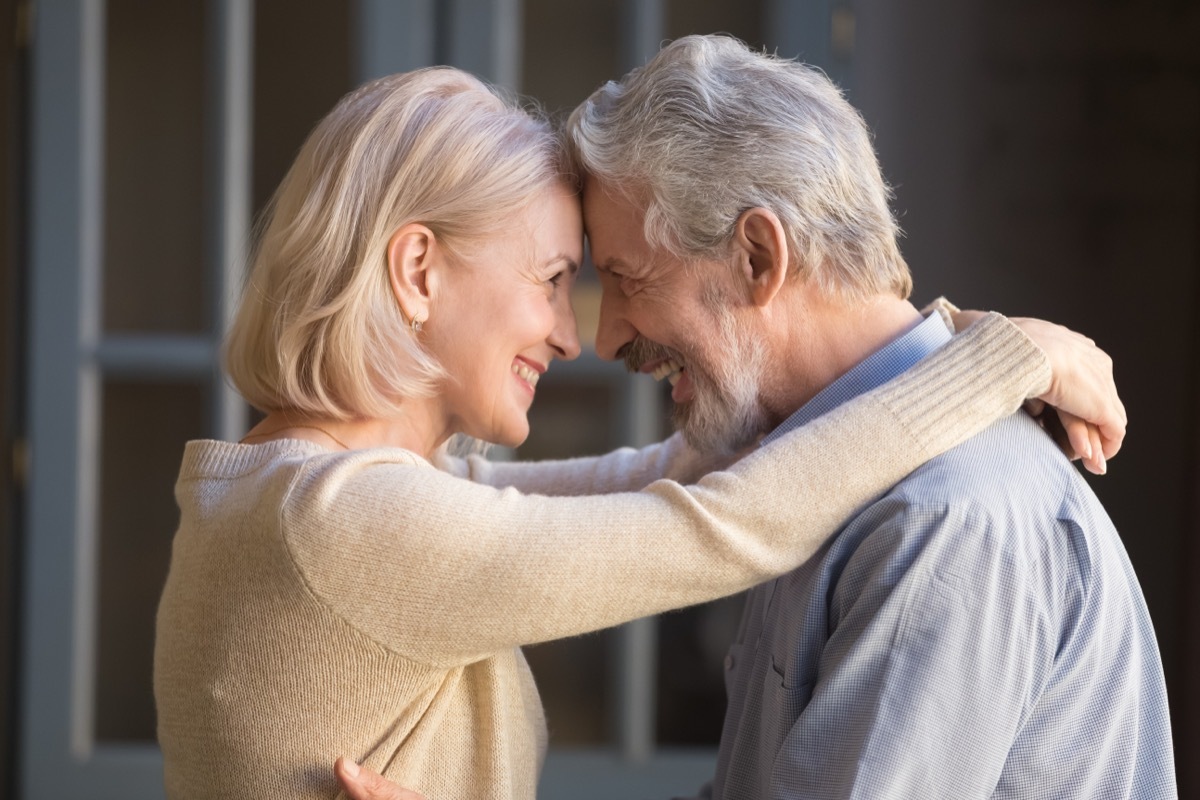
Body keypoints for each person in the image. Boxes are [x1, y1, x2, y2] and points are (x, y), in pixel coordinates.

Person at [153, 65, 1121, 800]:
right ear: (417, 272)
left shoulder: (295, 496)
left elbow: (667, 481)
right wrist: (1002, 358)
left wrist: (947, 344)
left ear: (756, 255)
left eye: (615, 278)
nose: (582, 335)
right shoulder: (348, 523)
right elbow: (720, 520)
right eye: (555, 280)